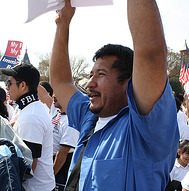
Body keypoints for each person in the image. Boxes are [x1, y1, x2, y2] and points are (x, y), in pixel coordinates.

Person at [49, 0, 179, 190]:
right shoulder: (89, 116)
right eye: (90, 75)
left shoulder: (146, 129)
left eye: (101, 74)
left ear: (129, 83)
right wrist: (63, 24)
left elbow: (151, 53)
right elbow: (60, 82)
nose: (90, 83)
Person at [0, 64, 55, 191]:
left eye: (9, 83)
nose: (7, 88)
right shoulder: (29, 109)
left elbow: (29, 166)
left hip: (35, 188)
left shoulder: (31, 116)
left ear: (23, 85)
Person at [38, 83, 79, 191]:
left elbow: (62, 154)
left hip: (59, 170)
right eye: (54, 92)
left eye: (59, 93)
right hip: (49, 163)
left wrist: (50, 176)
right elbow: (43, 94)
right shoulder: (56, 112)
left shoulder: (71, 122)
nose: (54, 96)